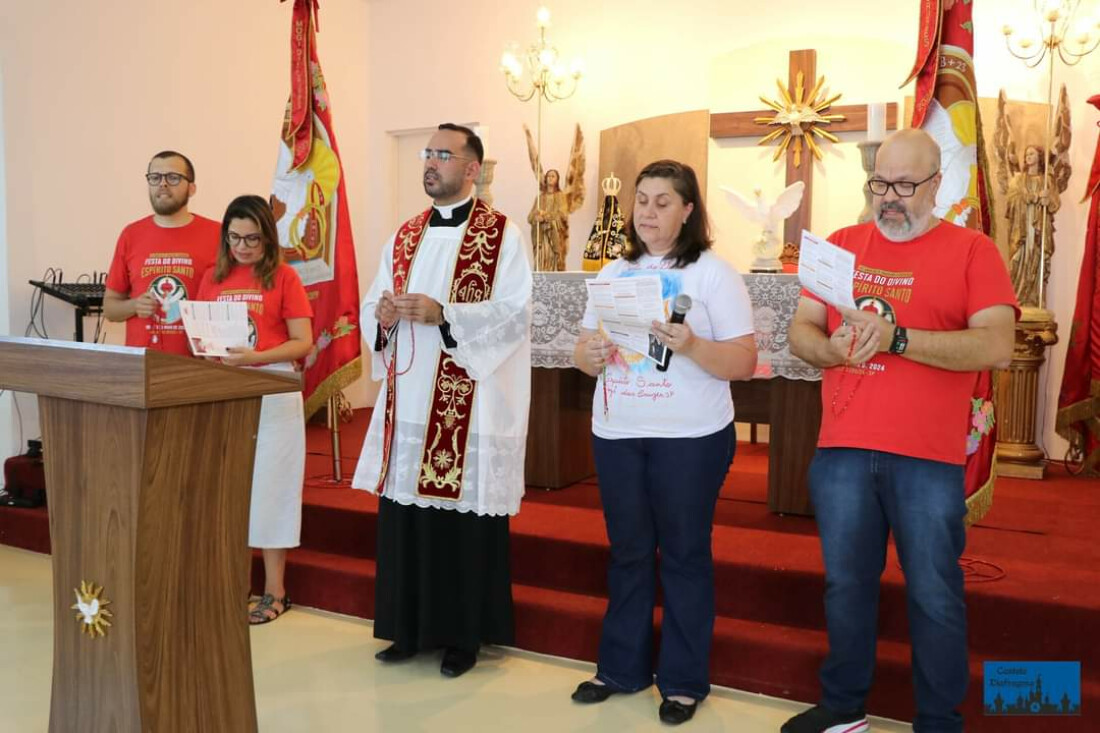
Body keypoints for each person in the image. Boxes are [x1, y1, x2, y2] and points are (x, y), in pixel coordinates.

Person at [781, 129, 1017, 733]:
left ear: (937, 186)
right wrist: (830, 349)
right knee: (846, 585)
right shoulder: (839, 245)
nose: (890, 198)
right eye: (880, 183)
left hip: (926, 456)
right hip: (842, 450)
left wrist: (898, 338)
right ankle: (843, 708)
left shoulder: (972, 251)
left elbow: (995, 345)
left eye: (906, 186)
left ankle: (938, 720)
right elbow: (801, 330)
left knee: (934, 594)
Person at [571, 160, 757, 725]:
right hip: (619, 432)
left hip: (689, 438)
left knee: (682, 555)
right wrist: (593, 356)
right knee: (628, 552)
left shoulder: (713, 275)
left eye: (662, 202)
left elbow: (745, 362)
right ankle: (621, 668)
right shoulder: (612, 273)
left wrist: (695, 344)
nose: (647, 212)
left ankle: (681, 681)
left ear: (688, 210)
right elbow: (582, 353)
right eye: (642, 200)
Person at [352, 123, 532, 678]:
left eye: (443, 155)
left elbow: (517, 311)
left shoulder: (501, 235)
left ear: (472, 168)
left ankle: (462, 637)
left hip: (469, 402)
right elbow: (372, 301)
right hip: (409, 401)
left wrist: (445, 315)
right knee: (406, 511)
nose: (430, 163)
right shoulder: (404, 235)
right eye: (427, 154)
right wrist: (380, 316)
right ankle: (407, 629)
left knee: (461, 522)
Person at [197, 195, 313, 624]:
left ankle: (274, 591)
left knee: (272, 489)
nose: (242, 247)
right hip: (227, 390)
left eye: (252, 239)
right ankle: (232, 583)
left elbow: (303, 342)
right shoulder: (213, 277)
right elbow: (206, 335)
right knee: (230, 490)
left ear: (268, 237)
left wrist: (254, 357)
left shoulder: (284, 277)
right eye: (234, 238)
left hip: (273, 386)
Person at [104, 151, 221, 353]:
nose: (163, 184)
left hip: (199, 367)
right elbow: (110, 308)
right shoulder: (131, 234)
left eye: (173, 178)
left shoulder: (218, 234)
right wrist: (134, 306)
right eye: (155, 177)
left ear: (192, 188)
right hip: (142, 366)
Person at [1005, 145, 1058, 307]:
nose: (1028, 156)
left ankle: (1035, 299)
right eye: (1026, 154)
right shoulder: (1018, 179)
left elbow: (1055, 204)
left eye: (1032, 153)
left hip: (1039, 229)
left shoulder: (1047, 181)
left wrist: (1047, 201)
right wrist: (1033, 197)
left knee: (1037, 258)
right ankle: (1017, 298)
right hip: (1021, 228)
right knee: (1018, 260)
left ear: (1040, 157)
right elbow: (1011, 202)